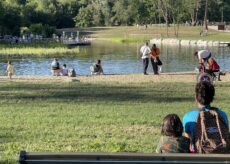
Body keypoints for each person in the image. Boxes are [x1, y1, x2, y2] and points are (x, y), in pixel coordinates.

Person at [182, 81, 229, 152]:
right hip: (222, 157)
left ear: (196, 97)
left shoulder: (188, 117)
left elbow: (188, 143)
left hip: (198, 158)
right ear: (212, 98)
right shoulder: (222, 115)